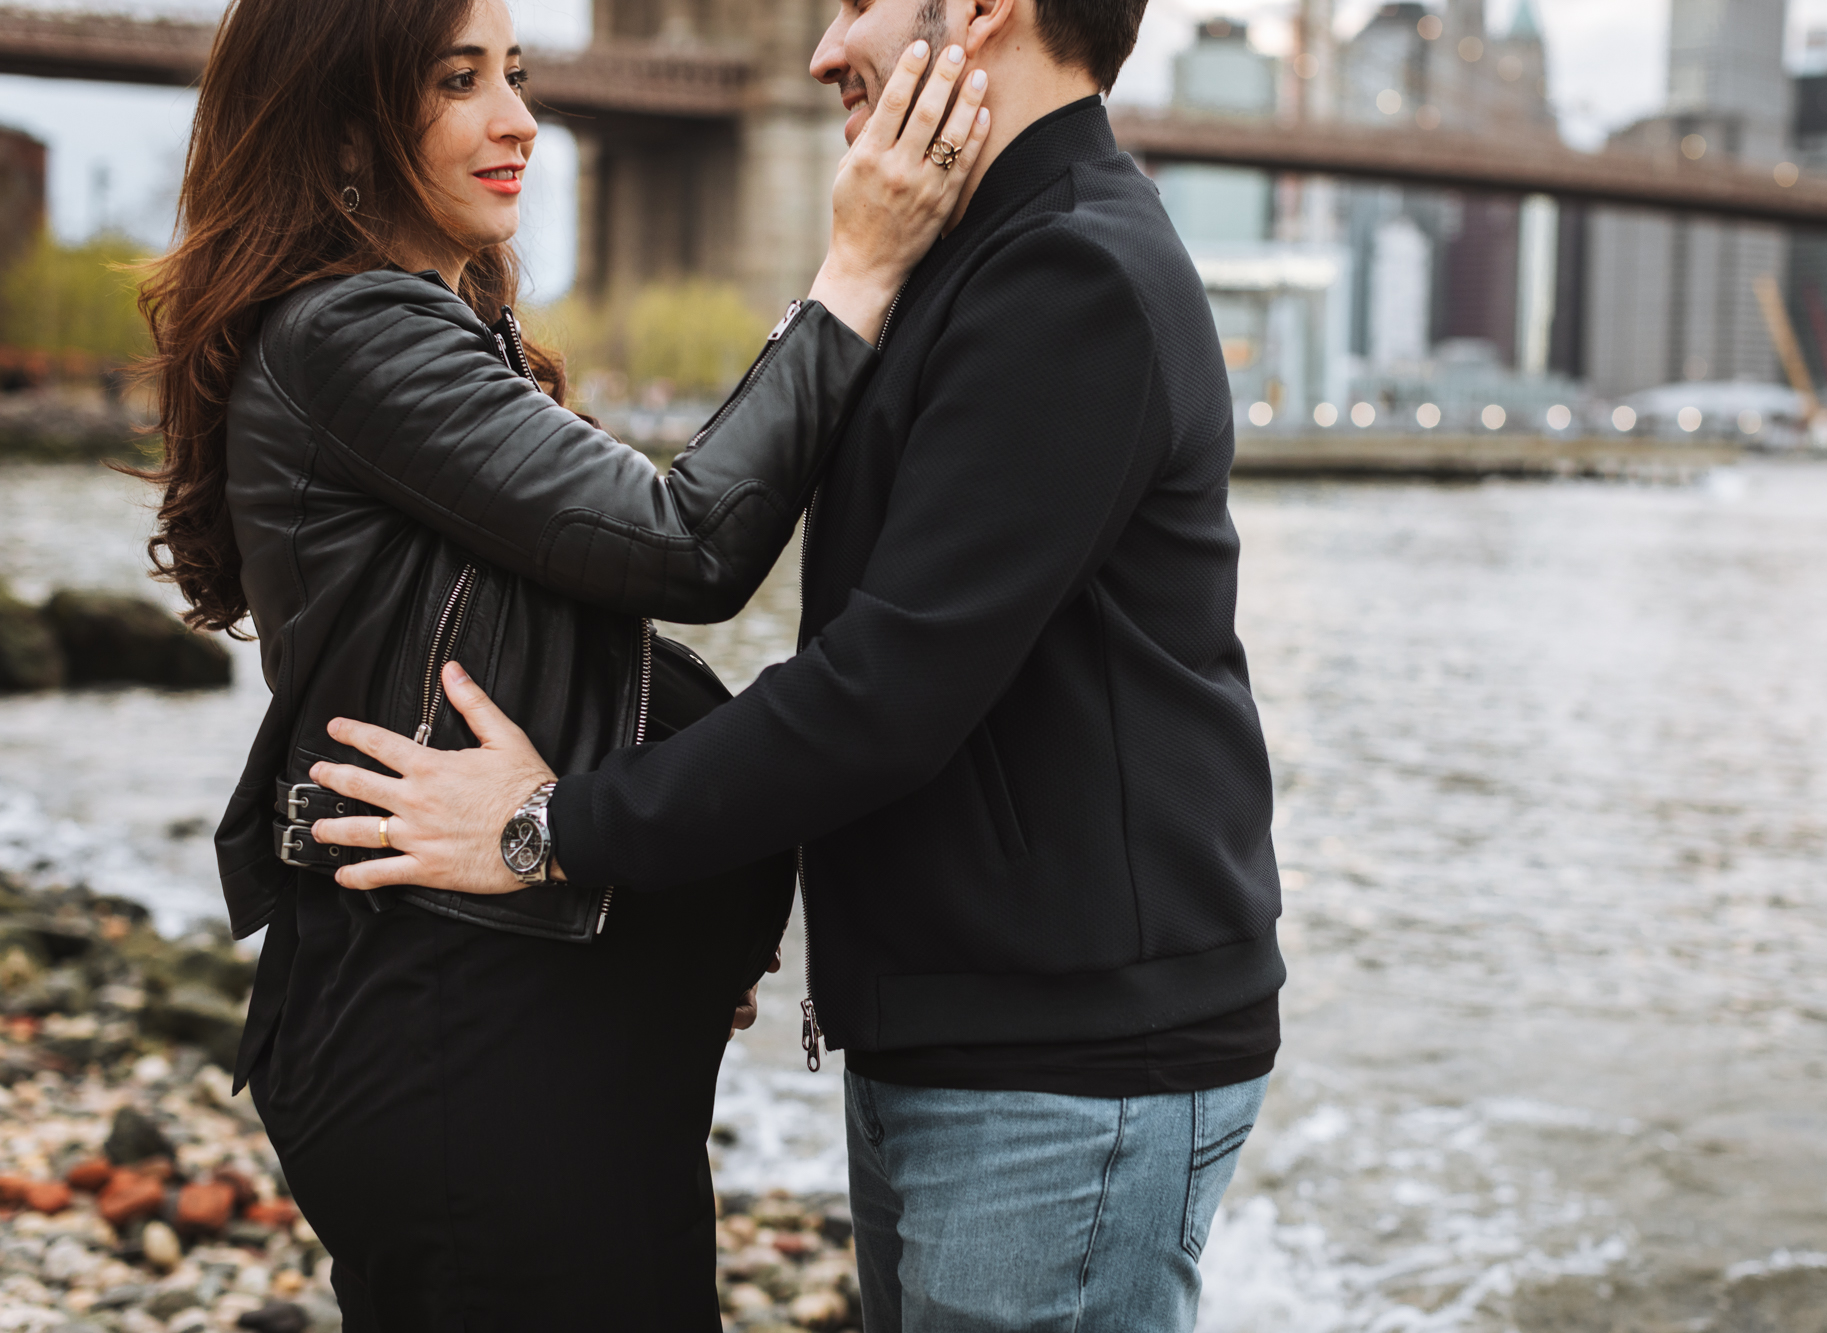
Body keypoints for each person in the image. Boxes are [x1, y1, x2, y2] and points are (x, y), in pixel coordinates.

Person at [309, 0, 1281, 1325]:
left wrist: (554, 829)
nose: (823, 51)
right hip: (977, 1037)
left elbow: (880, 694)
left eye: (853, 5)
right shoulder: (974, 260)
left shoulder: (1072, 275)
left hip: (1068, 1072)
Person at [133, 0, 991, 1324]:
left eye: (516, 74)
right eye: (457, 81)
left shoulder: (409, 330)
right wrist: (859, 271)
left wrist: (658, 878)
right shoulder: (352, 331)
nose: (518, 117)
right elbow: (687, 541)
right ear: (343, 118)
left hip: (513, 1024)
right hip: (463, 1044)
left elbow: (572, 647)